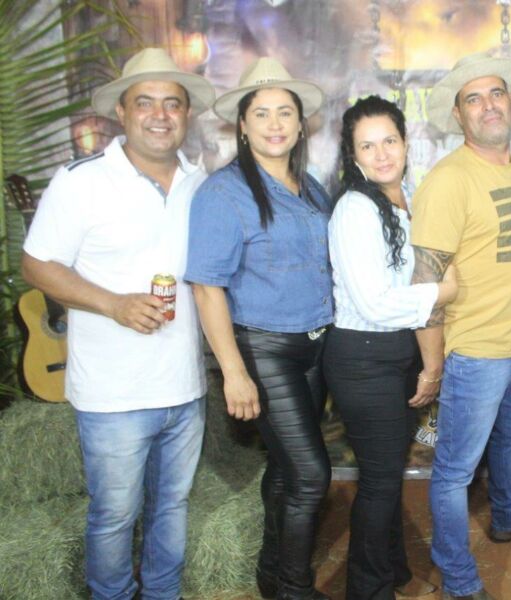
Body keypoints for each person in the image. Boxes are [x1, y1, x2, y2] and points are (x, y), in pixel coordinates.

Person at [21, 48, 214, 600]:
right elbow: (36, 265)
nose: (160, 115)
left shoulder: (201, 182)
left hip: (185, 386)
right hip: (113, 395)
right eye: (145, 103)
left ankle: (162, 593)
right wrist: (113, 304)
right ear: (122, 113)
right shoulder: (80, 181)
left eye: (172, 104)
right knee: (114, 515)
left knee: (171, 507)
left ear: (186, 114)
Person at [410, 51, 511, 600]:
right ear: (458, 115)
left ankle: (510, 519)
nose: (488, 105)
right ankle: (458, 578)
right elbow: (425, 284)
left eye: (496, 93)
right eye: (472, 98)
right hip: (474, 351)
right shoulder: (447, 181)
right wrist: (433, 365)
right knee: (454, 471)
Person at [184, 57, 333, 600]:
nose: (275, 123)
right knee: (312, 476)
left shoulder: (311, 188)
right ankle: (294, 589)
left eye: (285, 112)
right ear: (242, 125)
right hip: (263, 349)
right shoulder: (223, 194)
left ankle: (272, 576)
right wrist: (234, 372)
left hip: (314, 346)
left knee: (288, 471)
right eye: (262, 113)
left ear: (301, 124)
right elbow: (207, 288)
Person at [323, 95, 457, 599]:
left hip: (397, 354)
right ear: (352, 154)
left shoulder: (409, 199)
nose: (381, 154)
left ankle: (393, 571)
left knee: (388, 476)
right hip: (363, 357)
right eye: (367, 146)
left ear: (405, 143)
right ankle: (368, 589)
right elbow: (375, 304)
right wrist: (443, 291)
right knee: (380, 482)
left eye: (390, 141)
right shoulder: (355, 209)